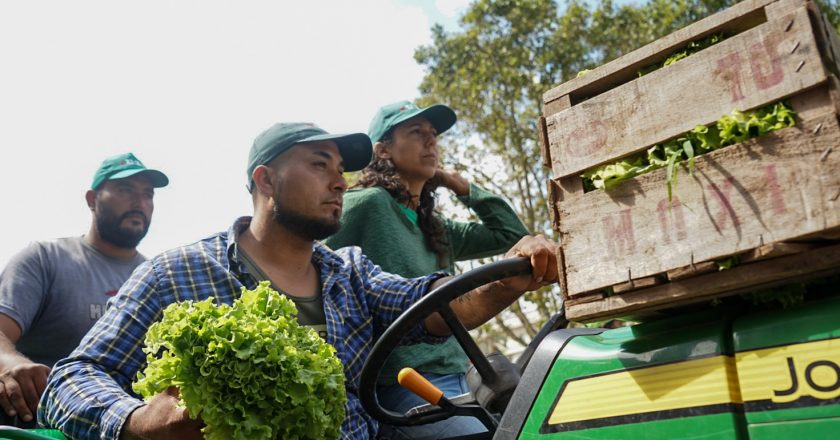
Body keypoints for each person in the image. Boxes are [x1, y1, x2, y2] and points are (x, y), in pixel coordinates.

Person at [38, 122, 557, 440]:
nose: (340, 181)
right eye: (319, 164)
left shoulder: (349, 272)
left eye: (341, 169)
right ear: (265, 181)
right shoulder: (175, 273)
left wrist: (510, 278)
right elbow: (71, 377)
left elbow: (434, 305)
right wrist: (134, 423)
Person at [324, 100, 528, 439]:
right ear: (383, 150)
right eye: (416, 133)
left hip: (465, 377)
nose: (430, 141)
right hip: (400, 384)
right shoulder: (366, 204)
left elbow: (510, 235)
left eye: (433, 134)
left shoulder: (437, 228)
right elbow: (309, 258)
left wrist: (460, 185)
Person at [0, 153, 168, 427]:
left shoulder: (159, 278)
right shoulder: (44, 259)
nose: (139, 202)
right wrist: (10, 364)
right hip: (40, 425)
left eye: (147, 194)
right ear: (92, 199)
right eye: (125, 190)